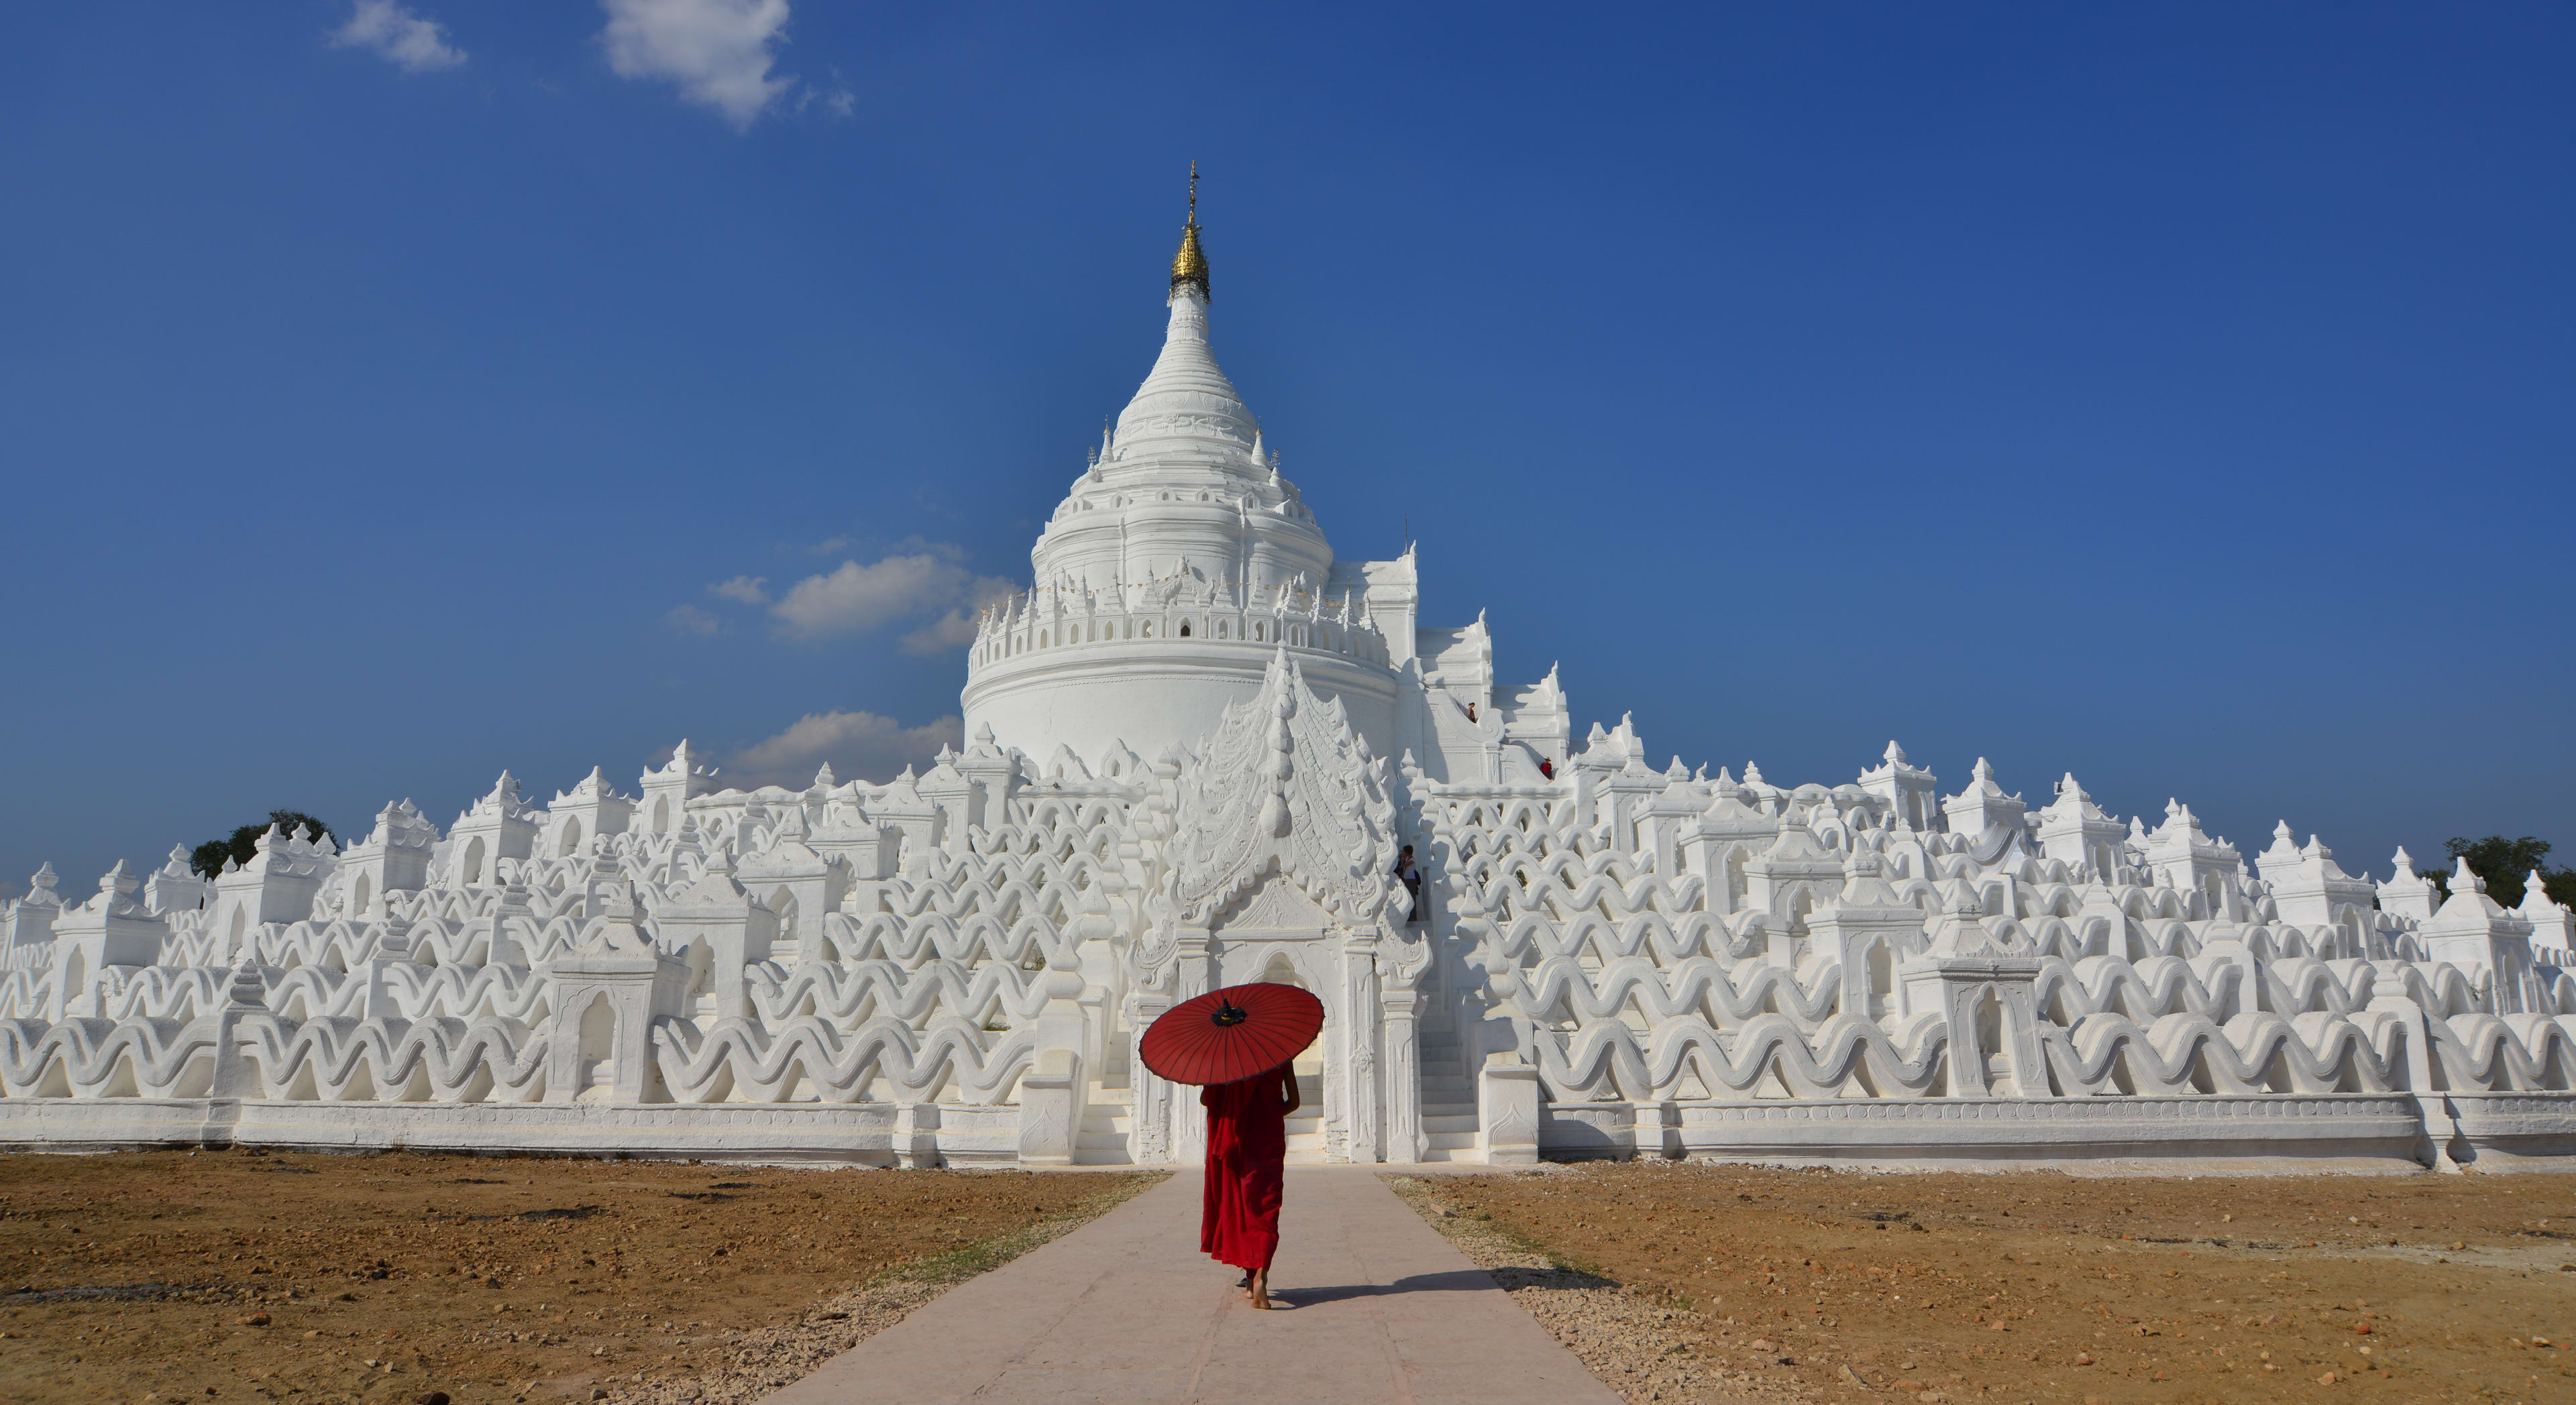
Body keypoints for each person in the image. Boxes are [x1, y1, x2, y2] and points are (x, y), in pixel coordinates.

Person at [1201, 1061, 1299, 1308]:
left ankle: (1249, 1281)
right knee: (1265, 1207)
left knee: (1241, 1208)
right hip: (1269, 1137)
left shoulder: (1225, 1061)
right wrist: (1270, 1112)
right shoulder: (1280, 1056)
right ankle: (1259, 1277)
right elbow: (1294, 1102)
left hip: (1237, 1142)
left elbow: (1206, 1100)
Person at [1392, 844, 1423, 923]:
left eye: (1404, 852)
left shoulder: (1412, 859)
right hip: (1406, 880)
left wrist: (1403, 859)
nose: (1403, 853)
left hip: (1411, 881)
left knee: (1412, 899)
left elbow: (1404, 866)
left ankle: (1413, 918)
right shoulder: (1408, 859)